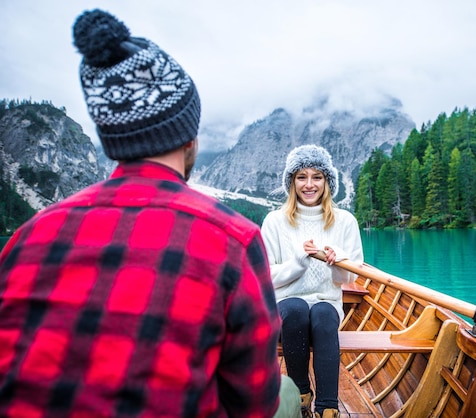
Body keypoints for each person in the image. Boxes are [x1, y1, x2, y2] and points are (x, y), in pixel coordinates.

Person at [0, 9, 299, 418]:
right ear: (190, 139)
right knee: (284, 393)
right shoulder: (232, 239)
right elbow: (254, 403)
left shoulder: (29, 236)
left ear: (111, 142)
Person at [261, 145, 365, 418]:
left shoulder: (345, 221)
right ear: (291, 182)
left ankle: (328, 407)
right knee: (295, 310)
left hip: (326, 302)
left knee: (321, 314)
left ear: (328, 181)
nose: (309, 184)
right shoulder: (274, 221)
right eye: (301, 177)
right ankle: (301, 393)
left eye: (317, 176)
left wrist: (339, 262)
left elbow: (350, 276)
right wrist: (298, 262)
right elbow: (266, 278)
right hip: (285, 304)